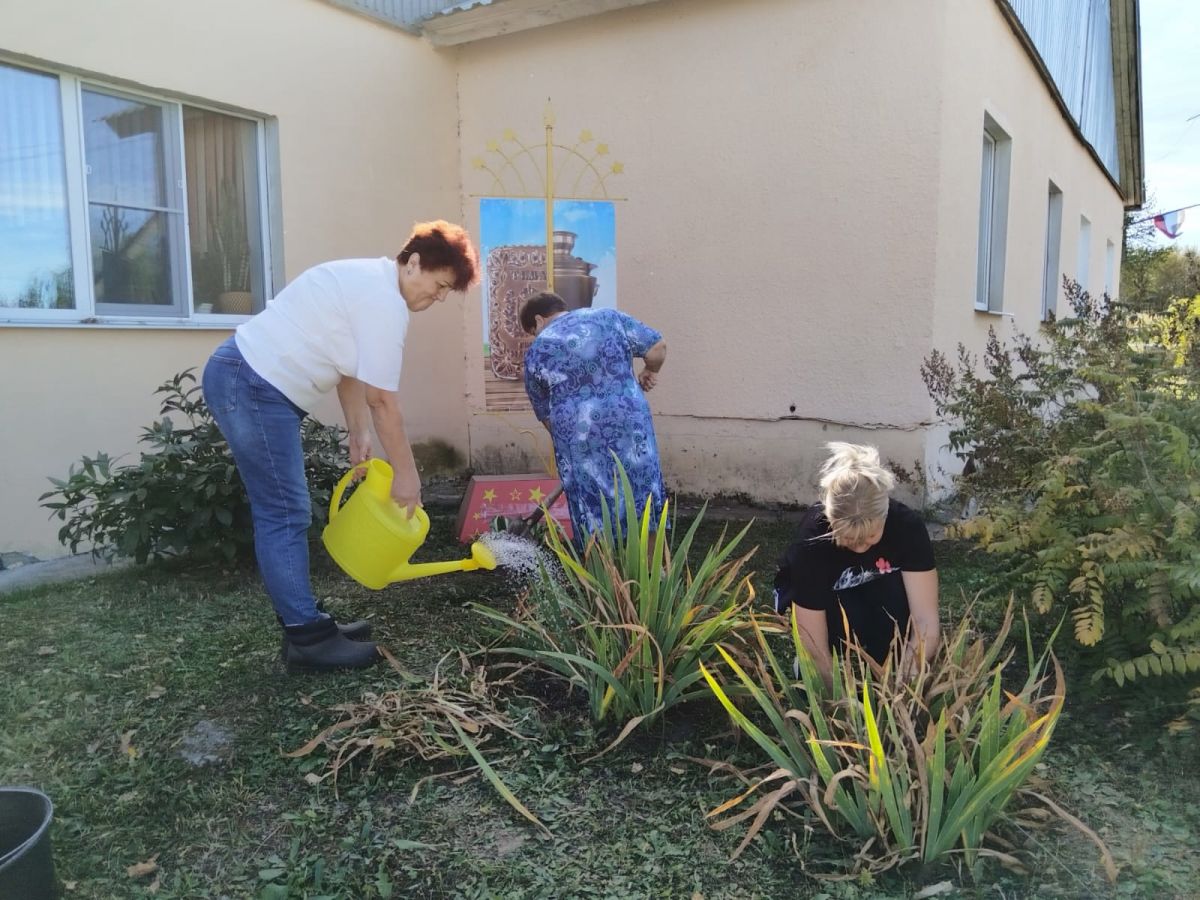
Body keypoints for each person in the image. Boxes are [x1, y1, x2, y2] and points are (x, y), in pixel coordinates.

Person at [201, 221, 478, 671]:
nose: (439, 297)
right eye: (439, 285)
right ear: (413, 263)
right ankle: (308, 640)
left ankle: (306, 625)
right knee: (284, 511)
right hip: (251, 384)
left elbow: (351, 370)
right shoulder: (384, 301)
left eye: (447, 292)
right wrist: (407, 476)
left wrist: (357, 432)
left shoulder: (371, 285)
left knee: (285, 510)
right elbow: (384, 402)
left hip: (250, 382)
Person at [772, 443, 940, 686]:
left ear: (884, 516)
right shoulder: (811, 541)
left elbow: (925, 619)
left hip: (880, 597)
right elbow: (813, 644)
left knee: (892, 598)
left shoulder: (907, 527)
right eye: (849, 538)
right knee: (841, 622)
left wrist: (906, 683)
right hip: (833, 606)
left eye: (870, 536)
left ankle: (888, 659)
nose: (860, 547)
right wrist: (840, 699)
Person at [520, 292, 668, 550]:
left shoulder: (537, 350)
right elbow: (657, 347)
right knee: (642, 493)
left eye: (533, 331)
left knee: (590, 505)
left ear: (539, 320)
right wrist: (650, 371)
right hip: (629, 424)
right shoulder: (608, 317)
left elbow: (546, 416)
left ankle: (602, 579)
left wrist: (570, 443)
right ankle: (658, 573)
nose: (536, 336)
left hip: (578, 437)